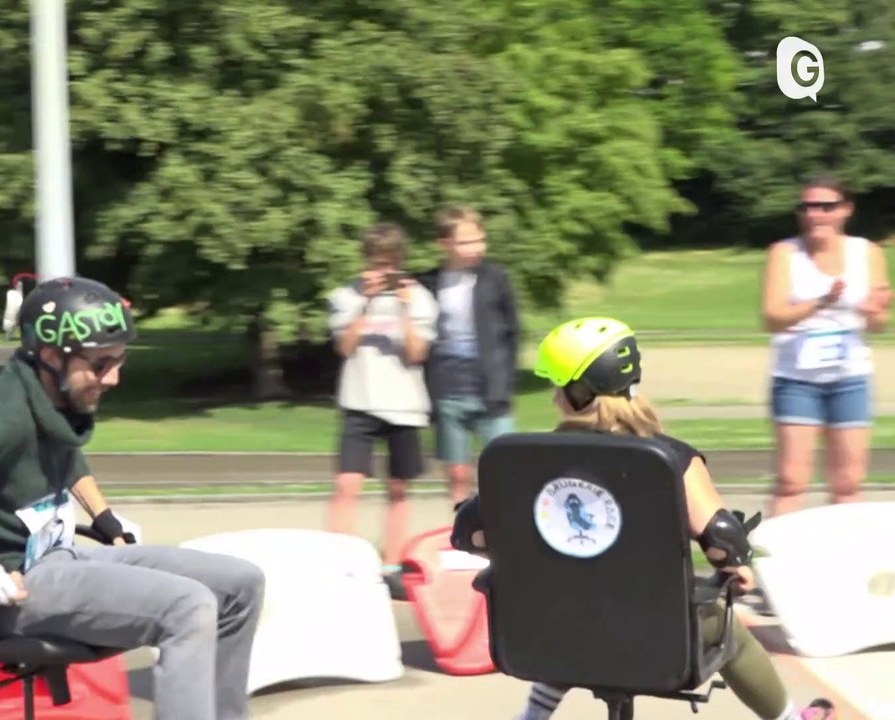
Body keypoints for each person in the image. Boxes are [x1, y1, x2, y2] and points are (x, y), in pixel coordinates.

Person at [0, 276, 266, 720]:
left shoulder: (49, 399)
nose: (114, 377)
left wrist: (105, 518)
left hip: (59, 558)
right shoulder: (0, 416)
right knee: (188, 606)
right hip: (12, 587)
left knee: (241, 584)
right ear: (51, 355)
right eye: (101, 364)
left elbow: (65, 449)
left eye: (120, 361)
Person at [451, 317, 838, 720]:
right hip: (653, 637)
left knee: (566, 608)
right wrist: (737, 569)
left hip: (547, 632)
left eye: (558, 387)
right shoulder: (667, 459)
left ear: (577, 393)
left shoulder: (522, 463)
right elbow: (722, 540)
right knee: (728, 631)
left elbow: (469, 535)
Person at [761, 175, 890, 517]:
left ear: (846, 210)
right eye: (806, 207)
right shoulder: (785, 253)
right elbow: (771, 319)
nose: (815, 214)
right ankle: (773, 564)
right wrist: (820, 302)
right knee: (791, 481)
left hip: (850, 377)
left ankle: (847, 562)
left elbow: (877, 326)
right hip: (796, 378)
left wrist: (873, 312)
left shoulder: (868, 252)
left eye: (825, 206)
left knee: (848, 484)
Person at [325, 222, 439, 586]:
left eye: (389, 265)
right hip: (359, 401)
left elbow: (417, 352)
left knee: (398, 488)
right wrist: (367, 302)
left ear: (399, 263)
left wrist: (404, 311)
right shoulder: (346, 295)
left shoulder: (419, 297)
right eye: (375, 264)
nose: (382, 272)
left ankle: (392, 565)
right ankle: (338, 560)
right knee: (347, 485)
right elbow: (343, 347)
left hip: (404, 404)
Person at [415, 205, 521, 507]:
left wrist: (506, 381)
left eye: (480, 240)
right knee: (458, 473)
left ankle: (507, 535)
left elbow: (513, 332)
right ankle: (462, 535)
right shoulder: (429, 283)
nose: (476, 248)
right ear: (444, 244)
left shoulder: (495, 278)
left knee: (504, 468)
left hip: (491, 388)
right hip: (448, 387)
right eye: (466, 242)